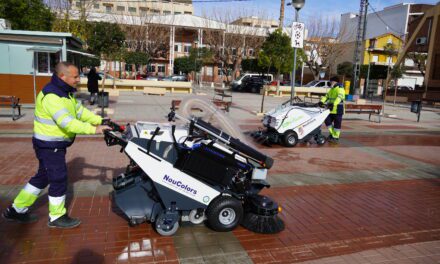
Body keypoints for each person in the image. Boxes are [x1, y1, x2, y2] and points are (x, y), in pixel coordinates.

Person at [2, 62, 111, 228]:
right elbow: (68, 123)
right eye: (75, 76)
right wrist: (95, 129)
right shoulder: (52, 96)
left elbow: (79, 112)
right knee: (58, 178)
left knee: (42, 176)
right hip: (48, 145)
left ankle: (16, 209)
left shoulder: (65, 93)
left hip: (52, 144)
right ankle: (56, 216)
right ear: (63, 76)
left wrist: (100, 120)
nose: (78, 79)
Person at [319, 76, 345, 143]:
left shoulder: (340, 88)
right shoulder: (332, 89)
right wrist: (321, 101)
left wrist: (334, 103)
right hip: (330, 109)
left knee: (337, 125)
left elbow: (339, 98)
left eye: (331, 81)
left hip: (338, 110)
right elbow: (326, 96)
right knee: (327, 121)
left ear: (335, 81)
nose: (330, 83)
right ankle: (333, 134)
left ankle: (335, 137)